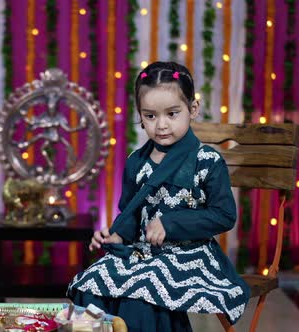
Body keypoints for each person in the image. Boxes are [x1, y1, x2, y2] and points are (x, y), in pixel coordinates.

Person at [67, 61, 250, 331]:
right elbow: (130, 212)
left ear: (193, 109)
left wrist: (171, 224)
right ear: (140, 116)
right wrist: (117, 235)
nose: (161, 125)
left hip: (191, 253)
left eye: (172, 114)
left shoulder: (207, 161)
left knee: (142, 290)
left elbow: (224, 216)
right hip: (144, 252)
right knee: (91, 283)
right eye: (150, 116)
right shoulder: (136, 162)